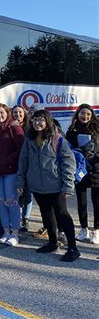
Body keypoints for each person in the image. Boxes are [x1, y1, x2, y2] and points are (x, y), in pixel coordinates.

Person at [17, 109, 80, 261]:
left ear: (47, 122)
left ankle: (73, 248)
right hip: (37, 186)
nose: (38, 123)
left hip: (55, 185)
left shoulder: (57, 139)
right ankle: (52, 242)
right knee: (46, 213)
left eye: (41, 120)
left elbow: (68, 162)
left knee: (62, 214)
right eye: (35, 120)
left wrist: (68, 185)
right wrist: (20, 182)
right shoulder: (29, 139)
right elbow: (23, 161)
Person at [0, 103, 24, 246]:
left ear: (7, 113)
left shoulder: (14, 128)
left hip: (10, 171)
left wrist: (9, 160)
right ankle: (5, 231)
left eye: (2, 113)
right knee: (1, 202)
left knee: (12, 202)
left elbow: (21, 148)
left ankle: (15, 233)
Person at [66, 103, 99, 244]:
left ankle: (96, 231)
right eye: (82, 113)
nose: (84, 116)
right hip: (80, 169)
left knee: (97, 203)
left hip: (96, 168)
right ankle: (83, 228)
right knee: (81, 201)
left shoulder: (97, 130)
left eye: (87, 114)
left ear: (91, 116)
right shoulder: (72, 130)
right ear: (77, 114)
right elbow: (68, 149)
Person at [11, 104, 32, 231]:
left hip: (28, 164)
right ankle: (17, 217)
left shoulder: (30, 127)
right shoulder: (9, 126)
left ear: (24, 114)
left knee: (28, 193)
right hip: (14, 163)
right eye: (15, 113)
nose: (17, 115)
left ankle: (26, 218)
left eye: (20, 112)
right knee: (17, 192)